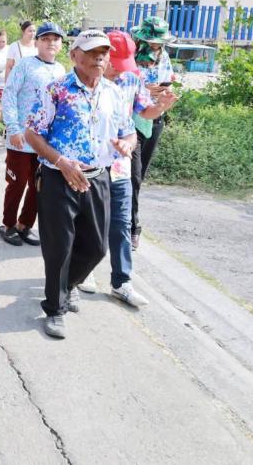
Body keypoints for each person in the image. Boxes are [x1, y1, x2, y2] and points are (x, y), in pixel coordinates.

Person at [24, 30, 136, 340]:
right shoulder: (56, 90)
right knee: (59, 248)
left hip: (97, 176)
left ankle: (68, 285)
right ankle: (55, 308)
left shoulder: (114, 92)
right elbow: (32, 133)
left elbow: (129, 132)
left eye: (104, 51)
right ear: (74, 56)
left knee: (97, 247)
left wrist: (127, 145)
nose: (100, 57)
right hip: (59, 176)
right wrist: (60, 161)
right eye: (92, 51)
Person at [87, 30, 176, 304]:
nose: (120, 70)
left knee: (121, 221)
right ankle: (84, 269)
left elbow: (143, 112)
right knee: (90, 221)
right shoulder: (82, 81)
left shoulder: (131, 79)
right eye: (117, 62)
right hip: (89, 164)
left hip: (120, 163)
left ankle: (122, 281)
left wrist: (160, 107)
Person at [0, 22, 66, 246]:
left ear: (61, 44)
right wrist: (13, 128)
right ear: (36, 42)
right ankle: (8, 224)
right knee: (16, 183)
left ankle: (24, 225)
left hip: (45, 143)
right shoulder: (25, 65)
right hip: (20, 139)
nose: (51, 43)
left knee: (40, 187)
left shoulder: (61, 70)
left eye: (55, 39)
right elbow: (8, 95)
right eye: (46, 39)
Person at [129, 17, 177, 249]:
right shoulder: (130, 56)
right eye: (153, 41)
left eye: (160, 42)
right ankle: (132, 227)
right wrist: (144, 89)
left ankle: (124, 219)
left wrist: (165, 93)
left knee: (140, 176)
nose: (156, 45)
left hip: (156, 117)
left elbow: (167, 82)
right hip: (133, 120)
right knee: (133, 176)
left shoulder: (164, 57)